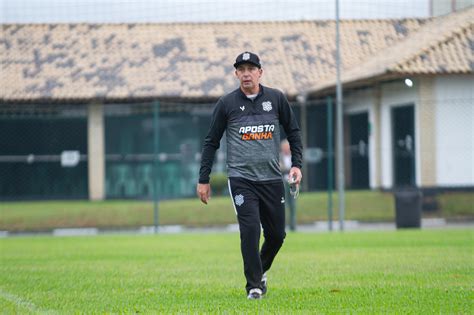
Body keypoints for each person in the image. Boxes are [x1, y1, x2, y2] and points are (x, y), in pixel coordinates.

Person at [196, 51, 303, 300]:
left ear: (260, 72)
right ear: (236, 74)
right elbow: (211, 141)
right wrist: (204, 178)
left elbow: (294, 132)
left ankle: (261, 269)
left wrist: (297, 165)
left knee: (277, 235)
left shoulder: (276, 99)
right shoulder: (227, 104)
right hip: (242, 179)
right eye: (241, 69)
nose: (246, 74)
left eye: (250, 69)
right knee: (251, 230)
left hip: (271, 178)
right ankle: (254, 286)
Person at [280, 139, 297, 231]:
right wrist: (289, 169)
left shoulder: (294, 157)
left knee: (293, 204)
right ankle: (283, 225)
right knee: (283, 204)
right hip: (283, 182)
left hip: (292, 182)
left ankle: (293, 225)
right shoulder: (279, 157)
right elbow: (279, 169)